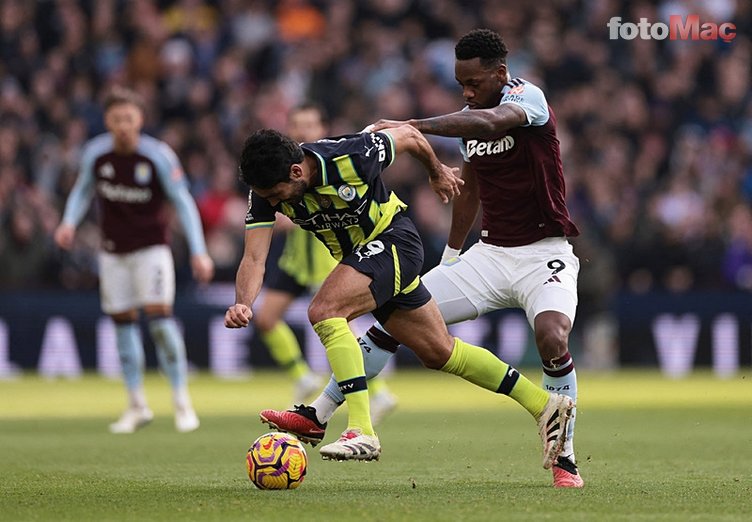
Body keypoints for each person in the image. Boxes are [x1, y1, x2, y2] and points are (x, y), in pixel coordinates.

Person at [259, 28, 585, 488]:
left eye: (474, 83)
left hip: (544, 252)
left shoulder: (527, 99)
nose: (467, 92)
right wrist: (453, 255)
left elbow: (492, 122)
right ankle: (318, 413)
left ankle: (564, 456)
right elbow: (471, 189)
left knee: (552, 336)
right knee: (393, 319)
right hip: (489, 255)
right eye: (461, 84)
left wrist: (413, 126)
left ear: (501, 73)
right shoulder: (473, 117)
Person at [224, 123, 573, 470]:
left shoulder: (350, 156)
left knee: (325, 310)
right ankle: (544, 405)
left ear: (297, 171)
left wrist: (436, 173)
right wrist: (244, 302)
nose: (271, 203)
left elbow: (408, 136)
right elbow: (254, 258)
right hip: (365, 259)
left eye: (276, 194)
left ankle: (360, 429)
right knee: (440, 352)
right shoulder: (265, 191)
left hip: (395, 241)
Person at [54, 86, 214, 434]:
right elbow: (83, 190)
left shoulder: (157, 156)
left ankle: (181, 401)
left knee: (159, 321)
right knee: (123, 325)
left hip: (152, 251)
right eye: (116, 119)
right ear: (108, 121)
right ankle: (136, 404)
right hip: (113, 253)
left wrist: (199, 250)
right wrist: (68, 222)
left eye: (129, 118)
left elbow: (183, 202)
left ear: (140, 119)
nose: (123, 125)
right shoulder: (96, 154)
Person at [253, 103, 398, 418]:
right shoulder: (285, 171)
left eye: (309, 125)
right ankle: (302, 376)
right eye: (297, 125)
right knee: (265, 318)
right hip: (296, 260)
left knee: (337, 324)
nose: (303, 131)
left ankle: (378, 392)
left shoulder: (330, 163)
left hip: (326, 258)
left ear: (321, 129)